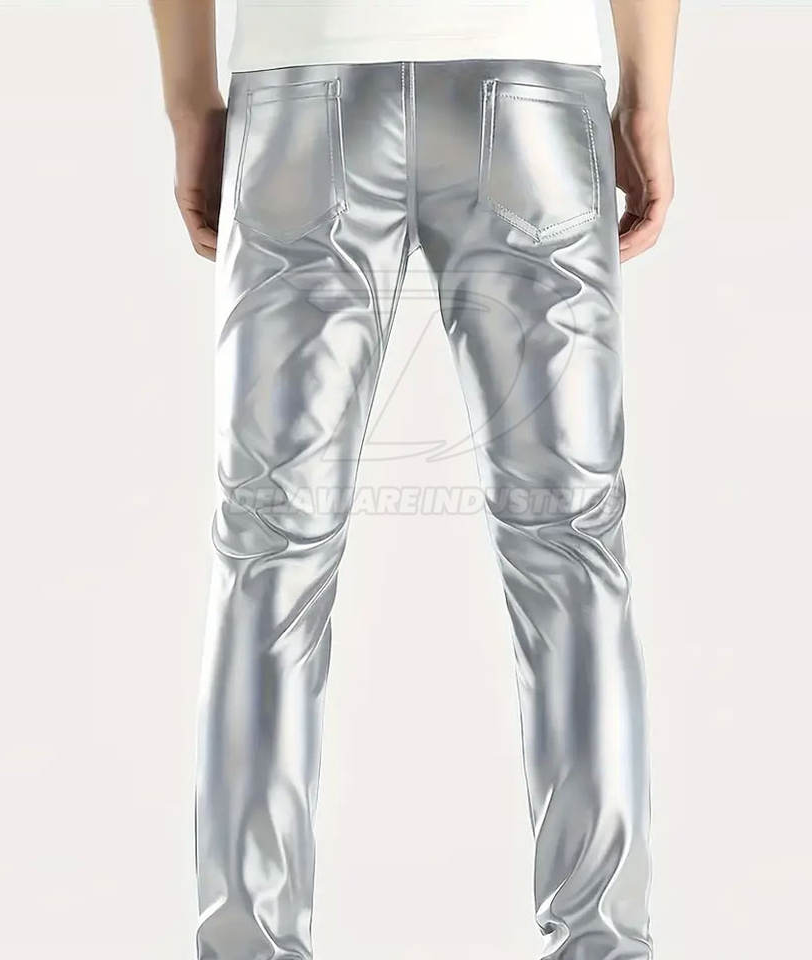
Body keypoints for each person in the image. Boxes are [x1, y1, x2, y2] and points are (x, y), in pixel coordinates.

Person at [148, 2, 678, 958]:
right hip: (531, 74)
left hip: (302, 75)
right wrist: (648, 98)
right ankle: (602, 944)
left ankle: (247, 945)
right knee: (572, 552)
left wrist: (191, 102)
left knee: (269, 558)